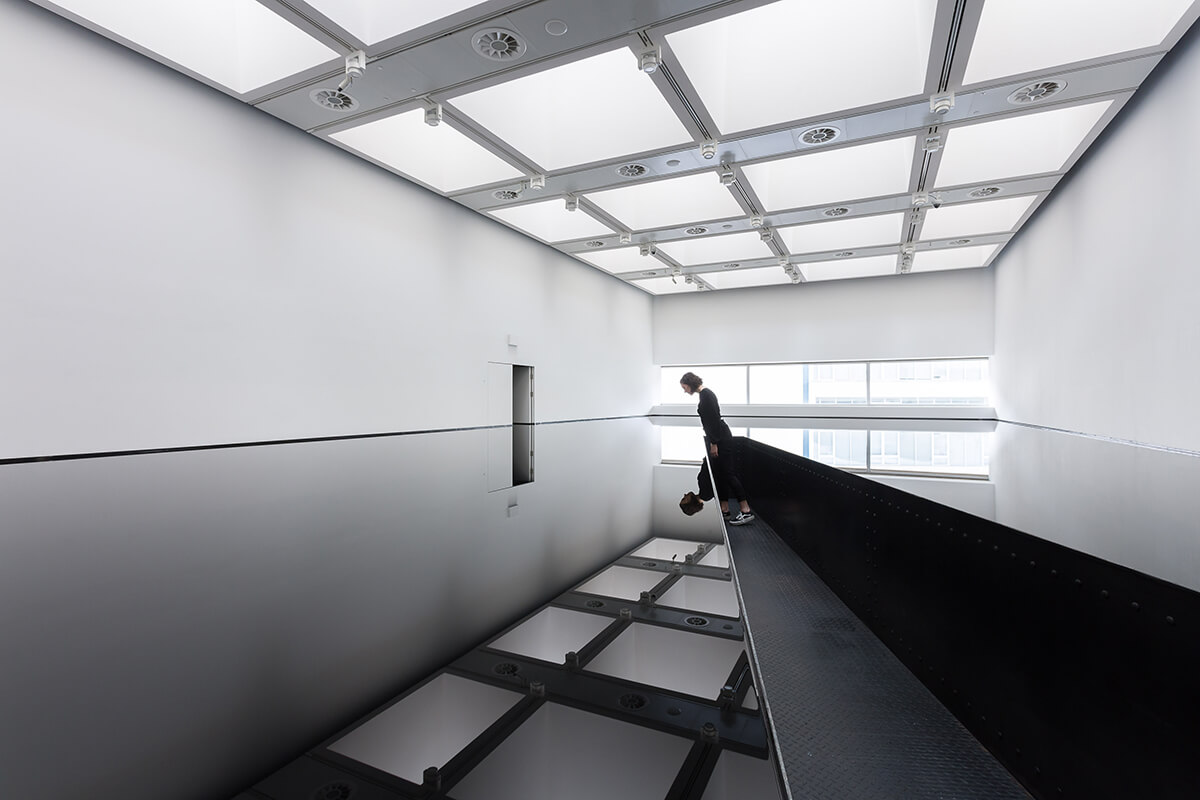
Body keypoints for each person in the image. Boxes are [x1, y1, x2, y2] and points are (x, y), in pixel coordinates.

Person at [679, 372, 754, 525]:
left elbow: (713, 419)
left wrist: (714, 443)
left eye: (684, 387)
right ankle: (725, 509)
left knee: (728, 474)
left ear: (690, 383)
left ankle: (745, 511)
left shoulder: (706, 394)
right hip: (719, 438)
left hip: (721, 439)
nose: (685, 391)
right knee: (722, 475)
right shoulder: (704, 395)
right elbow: (711, 421)